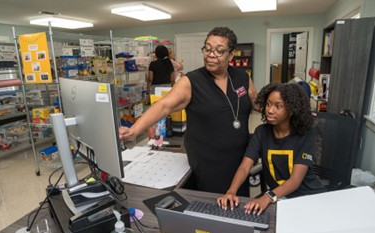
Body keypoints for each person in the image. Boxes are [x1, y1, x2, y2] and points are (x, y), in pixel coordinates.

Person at [119, 27, 258, 196]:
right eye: (207, 48)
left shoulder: (242, 77)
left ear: (230, 55)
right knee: (213, 208)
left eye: (219, 51)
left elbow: (257, 102)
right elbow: (164, 105)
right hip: (208, 163)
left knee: (239, 205)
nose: (211, 54)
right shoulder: (191, 81)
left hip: (240, 158)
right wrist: (134, 130)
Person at [217, 82, 326, 214]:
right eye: (268, 104)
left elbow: (295, 180)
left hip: (308, 198)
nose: (270, 110)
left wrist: (267, 197)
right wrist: (231, 191)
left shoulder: (305, 135)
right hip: (280, 199)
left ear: (291, 110)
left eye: (278, 106)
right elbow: (245, 166)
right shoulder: (261, 132)